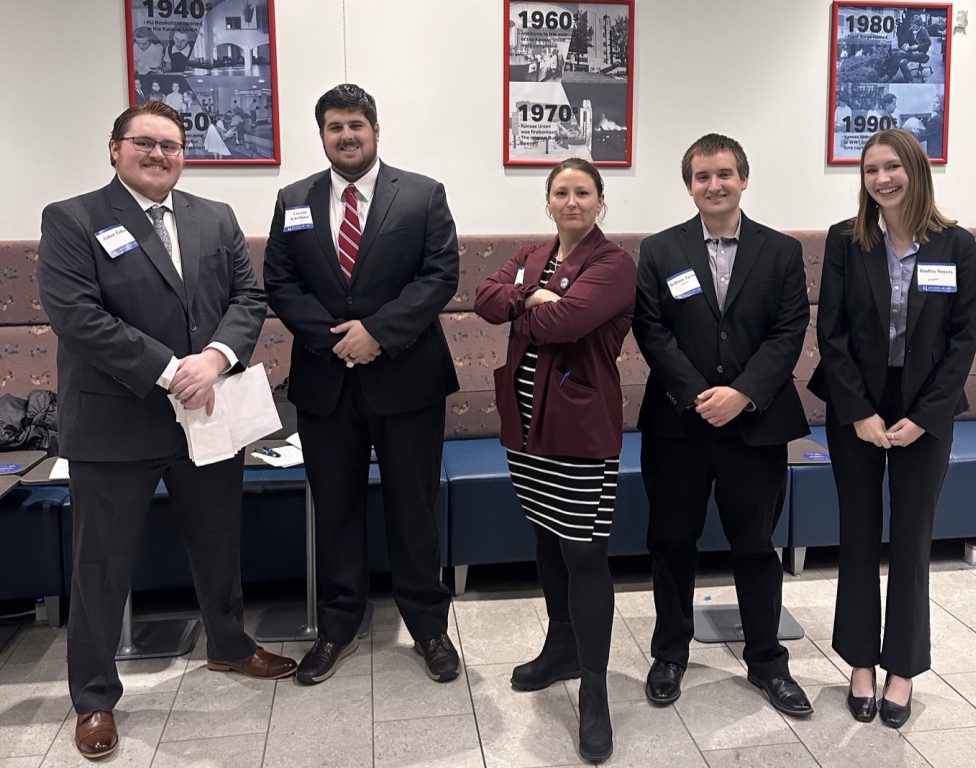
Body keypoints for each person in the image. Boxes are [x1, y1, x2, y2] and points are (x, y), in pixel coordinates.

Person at [36, 102, 296, 760]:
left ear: (185, 153)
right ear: (115, 148)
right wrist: (169, 368)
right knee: (101, 565)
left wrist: (214, 358)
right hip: (115, 421)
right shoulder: (72, 219)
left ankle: (230, 647)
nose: (159, 155)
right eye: (145, 143)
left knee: (218, 543)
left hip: (209, 412)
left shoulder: (215, 217)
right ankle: (94, 697)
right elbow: (77, 317)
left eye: (172, 145)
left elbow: (247, 297)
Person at [264, 83, 461, 686]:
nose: (346, 136)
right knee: (338, 512)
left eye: (355, 125)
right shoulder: (293, 198)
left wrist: (377, 332)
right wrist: (334, 338)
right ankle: (338, 625)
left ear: (376, 130)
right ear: (321, 135)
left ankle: (428, 625)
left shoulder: (423, 194)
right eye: (333, 127)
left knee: (414, 510)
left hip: (407, 381)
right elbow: (280, 281)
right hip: (326, 384)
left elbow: (440, 275)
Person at [633, 134, 813, 717]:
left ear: (744, 179)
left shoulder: (781, 251)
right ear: (689, 185)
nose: (715, 184)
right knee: (670, 544)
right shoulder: (659, 250)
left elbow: (789, 332)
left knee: (756, 548)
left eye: (725, 174)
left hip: (754, 427)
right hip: (678, 427)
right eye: (703, 176)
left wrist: (741, 394)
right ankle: (669, 654)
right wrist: (695, 394)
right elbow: (651, 329)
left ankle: (766, 661)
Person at [807, 128, 976, 727]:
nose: (881, 178)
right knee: (857, 533)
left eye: (892, 167)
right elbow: (830, 334)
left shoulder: (955, 245)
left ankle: (902, 668)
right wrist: (858, 412)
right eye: (870, 169)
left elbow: (962, 342)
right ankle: (859, 661)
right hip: (856, 404)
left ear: (915, 170)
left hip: (925, 409)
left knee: (912, 540)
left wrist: (925, 417)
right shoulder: (845, 242)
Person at [474, 158, 636, 763]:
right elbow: (486, 299)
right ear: (548, 201)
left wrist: (541, 302)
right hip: (526, 425)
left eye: (583, 192)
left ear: (600, 201)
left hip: (578, 426)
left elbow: (567, 321)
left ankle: (594, 690)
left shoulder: (615, 263)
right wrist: (528, 293)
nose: (572, 201)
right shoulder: (530, 255)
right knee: (546, 537)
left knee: (584, 551)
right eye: (562, 192)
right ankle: (560, 646)